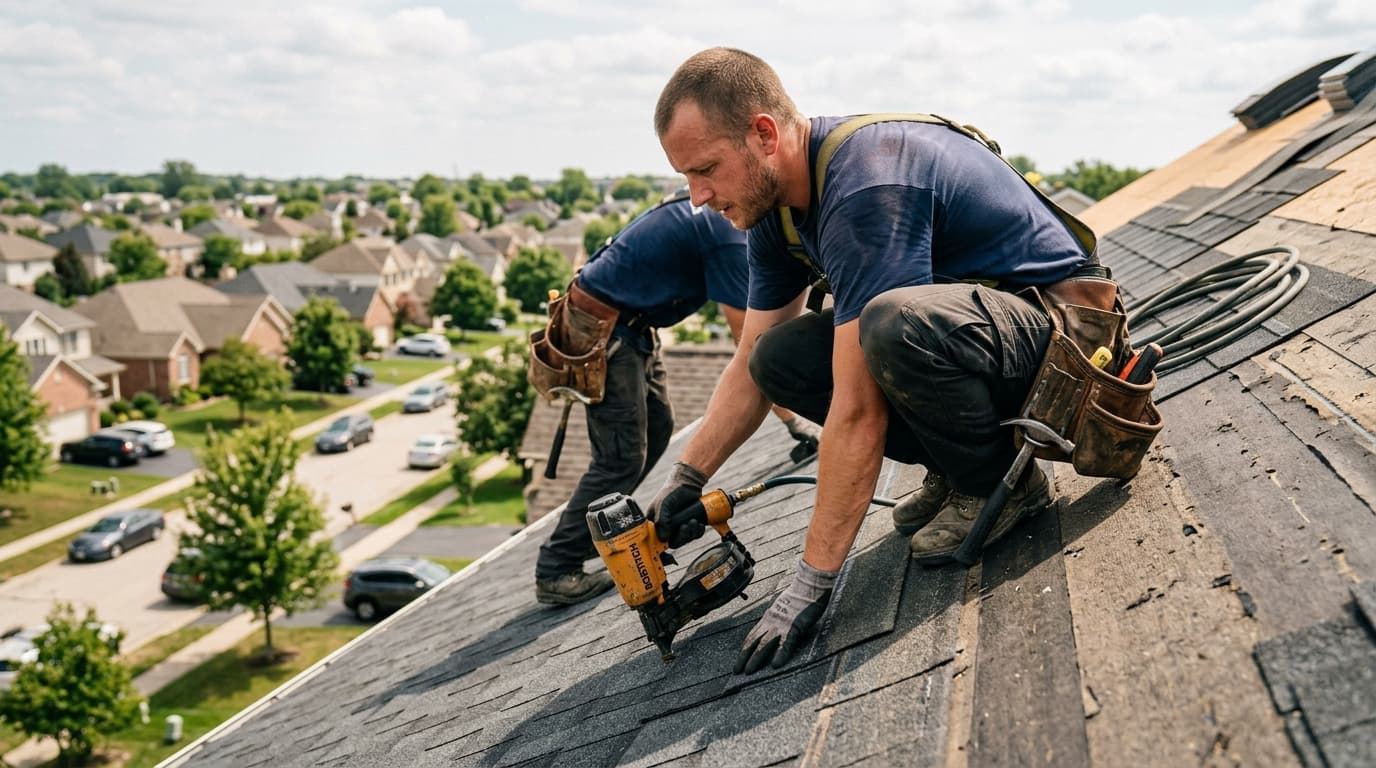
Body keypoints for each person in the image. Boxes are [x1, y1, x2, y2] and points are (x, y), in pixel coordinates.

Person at [649, 48, 1093, 673]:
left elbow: (858, 412)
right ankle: (955, 463)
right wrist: (686, 480)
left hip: (1065, 343)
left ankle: (998, 481)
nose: (697, 197)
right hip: (987, 339)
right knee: (778, 357)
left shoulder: (866, 185)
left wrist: (809, 585)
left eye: (706, 170)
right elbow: (750, 355)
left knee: (891, 326)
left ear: (764, 134)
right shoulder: (778, 213)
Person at [533, 190, 822, 606]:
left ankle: (625, 535)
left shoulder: (726, 219)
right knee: (620, 457)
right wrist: (795, 422)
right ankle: (557, 568)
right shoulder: (730, 235)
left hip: (629, 325)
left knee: (659, 428)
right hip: (604, 329)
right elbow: (752, 349)